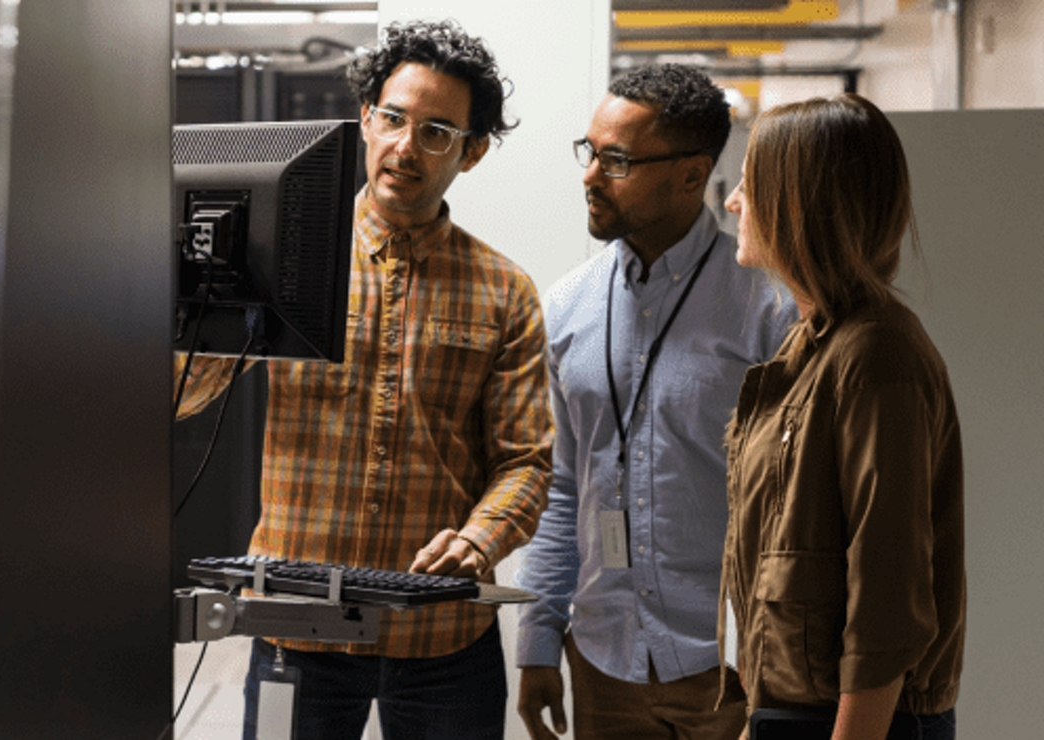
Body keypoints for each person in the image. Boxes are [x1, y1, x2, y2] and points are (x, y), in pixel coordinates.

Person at [174, 19, 554, 740]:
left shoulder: (505, 290)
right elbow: (182, 398)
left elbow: (526, 460)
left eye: (437, 132)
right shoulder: (282, 257)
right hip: (296, 620)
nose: (406, 146)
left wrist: (480, 540)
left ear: (471, 153)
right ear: (365, 119)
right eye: (393, 119)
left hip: (441, 637)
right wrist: (200, 303)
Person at [515, 64, 796, 740]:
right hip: (604, 660)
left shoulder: (769, 308)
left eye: (617, 161)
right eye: (591, 153)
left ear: (693, 175)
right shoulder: (568, 306)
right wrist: (537, 637)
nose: (589, 176)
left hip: (729, 664)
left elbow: (795, 506)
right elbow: (564, 486)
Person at [719, 93, 965, 740]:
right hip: (793, 713)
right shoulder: (813, 346)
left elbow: (888, 596)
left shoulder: (877, 354)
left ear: (797, 205)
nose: (732, 203)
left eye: (749, 185)